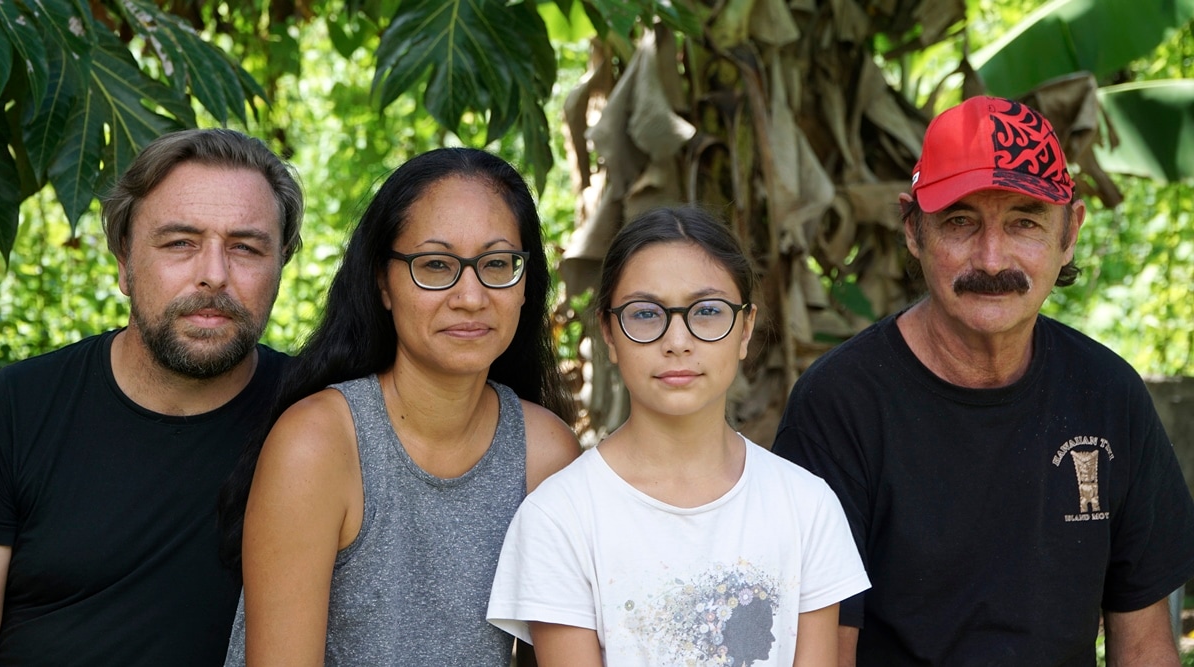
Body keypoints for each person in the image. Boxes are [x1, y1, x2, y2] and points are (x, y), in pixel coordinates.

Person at [772, 95, 1194, 666]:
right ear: (913, 229)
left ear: (1069, 231)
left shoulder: (1109, 395)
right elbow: (822, 654)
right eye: (960, 222)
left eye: (1024, 222)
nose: (992, 260)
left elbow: (1145, 644)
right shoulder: (840, 406)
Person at [219, 147, 581, 666]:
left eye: (498, 264)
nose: (471, 296)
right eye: (435, 265)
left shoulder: (545, 452)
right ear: (382, 282)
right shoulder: (319, 444)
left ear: (526, 283)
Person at [487, 206, 870, 666]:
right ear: (609, 333)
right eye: (646, 314)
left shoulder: (807, 508)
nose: (677, 340)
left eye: (707, 311)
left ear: (745, 329)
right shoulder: (559, 518)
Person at [0, 128, 304, 665]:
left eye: (245, 247)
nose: (213, 274)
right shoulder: (14, 408)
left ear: (281, 265)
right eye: (180, 243)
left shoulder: (317, 419)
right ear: (123, 261)